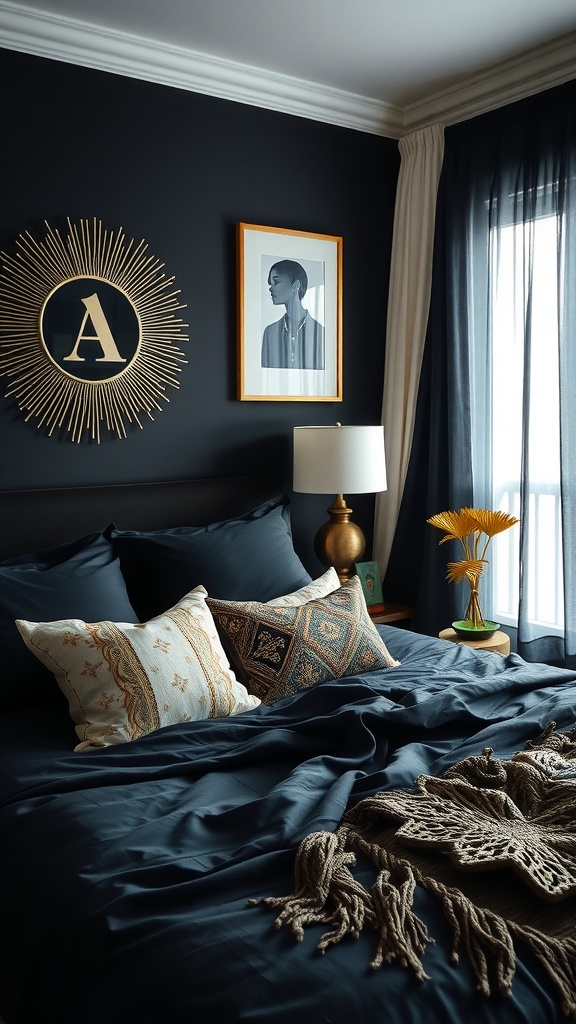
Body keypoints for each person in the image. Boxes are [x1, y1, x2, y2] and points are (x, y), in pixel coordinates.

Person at [261, 259, 324, 369]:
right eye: (270, 284)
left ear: (296, 285)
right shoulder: (270, 333)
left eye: (276, 281)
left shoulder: (319, 333)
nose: (271, 288)